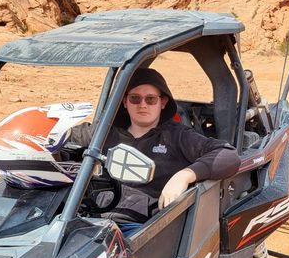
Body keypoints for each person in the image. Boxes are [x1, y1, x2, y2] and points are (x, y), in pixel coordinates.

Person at [69, 68, 241, 233]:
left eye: (150, 99)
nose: (142, 105)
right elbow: (59, 136)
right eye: (135, 98)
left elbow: (228, 155)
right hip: (91, 220)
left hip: (141, 229)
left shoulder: (177, 136)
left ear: (163, 102)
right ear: (124, 102)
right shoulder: (103, 133)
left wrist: (185, 175)